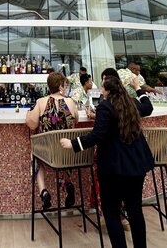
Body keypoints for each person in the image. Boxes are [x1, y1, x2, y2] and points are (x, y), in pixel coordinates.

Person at [60, 76, 154, 248]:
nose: (101, 91)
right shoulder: (131, 103)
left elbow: (98, 135)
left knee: (111, 212)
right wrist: (139, 89)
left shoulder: (105, 106)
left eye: (102, 88)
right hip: (137, 164)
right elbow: (148, 107)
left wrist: (73, 143)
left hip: (114, 168)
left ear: (108, 91)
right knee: (135, 211)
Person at [26, 71, 79, 209]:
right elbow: (76, 121)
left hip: (48, 153)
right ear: (60, 86)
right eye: (64, 85)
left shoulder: (41, 102)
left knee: (35, 155)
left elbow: (32, 125)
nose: (65, 88)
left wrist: (28, 114)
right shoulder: (70, 102)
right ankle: (67, 183)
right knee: (64, 153)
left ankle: (43, 192)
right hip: (68, 151)